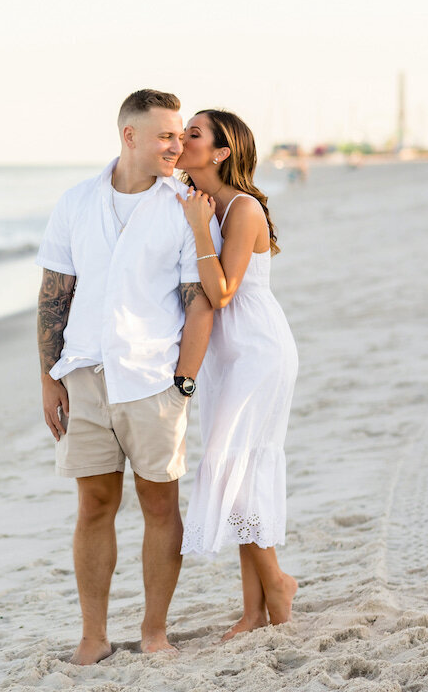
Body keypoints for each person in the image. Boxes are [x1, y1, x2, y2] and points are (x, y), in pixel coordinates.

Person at [36, 89, 215, 664]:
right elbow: (53, 293)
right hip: (85, 374)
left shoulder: (183, 205)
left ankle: (154, 630)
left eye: (181, 133)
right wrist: (48, 377)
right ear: (129, 136)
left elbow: (198, 302)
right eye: (165, 134)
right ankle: (94, 636)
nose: (176, 144)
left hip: (153, 380)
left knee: (161, 507)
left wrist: (183, 382)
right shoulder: (77, 202)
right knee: (93, 505)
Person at [174, 109, 299, 640]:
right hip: (225, 353)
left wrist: (201, 228)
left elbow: (223, 292)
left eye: (194, 133)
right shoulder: (193, 202)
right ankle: (252, 611)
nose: (182, 139)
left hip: (257, 349)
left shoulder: (242, 208)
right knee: (237, 468)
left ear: (221, 153)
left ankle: (276, 582)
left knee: (234, 464)